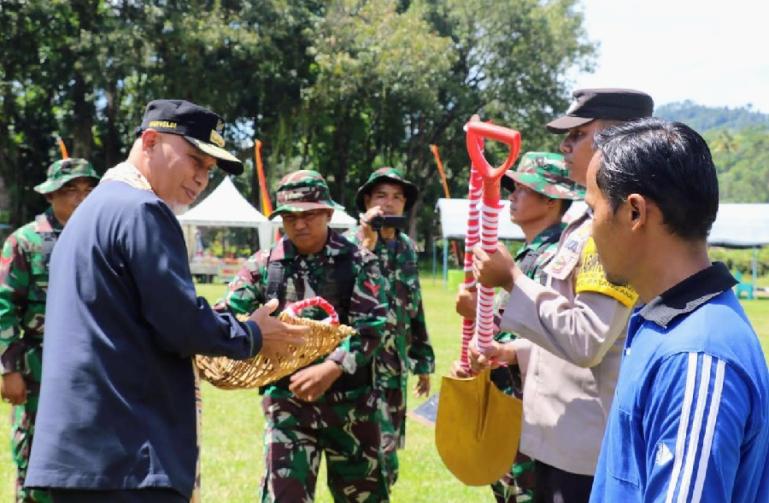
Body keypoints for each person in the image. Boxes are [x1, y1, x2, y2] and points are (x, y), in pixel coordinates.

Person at [25, 99, 308, 502]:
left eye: (209, 170)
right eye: (195, 160)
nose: (201, 179)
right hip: (128, 457)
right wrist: (251, 334)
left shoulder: (88, 214)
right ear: (152, 140)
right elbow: (179, 324)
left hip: (79, 457)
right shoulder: (142, 209)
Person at [470, 88, 653, 502]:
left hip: (584, 453)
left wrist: (513, 280)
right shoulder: (587, 220)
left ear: (616, 137)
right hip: (561, 442)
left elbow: (588, 340)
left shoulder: (614, 226)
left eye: (578, 134)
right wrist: (516, 352)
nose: (563, 145)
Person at [585, 118, 769, 502]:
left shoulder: (697, 356)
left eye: (593, 211)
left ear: (634, 212)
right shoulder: (663, 322)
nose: (590, 231)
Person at [220, 169, 390, 502]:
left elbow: (373, 326)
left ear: (328, 213)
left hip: (351, 408)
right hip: (288, 406)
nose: (299, 224)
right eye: (290, 216)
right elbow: (225, 313)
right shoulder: (265, 265)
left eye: (310, 214)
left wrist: (333, 366)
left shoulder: (357, 262)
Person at [453, 152, 582, 502]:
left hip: (535, 409)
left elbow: (551, 330)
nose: (512, 196)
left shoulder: (556, 257)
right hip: (509, 401)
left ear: (552, 198)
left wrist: (482, 319)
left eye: (523, 189)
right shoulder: (527, 255)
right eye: (512, 188)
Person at [0, 158, 99, 503]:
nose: (80, 198)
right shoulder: (25, 242)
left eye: (88, 190)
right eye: (70, 190)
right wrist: (8, 369)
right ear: (51, 194)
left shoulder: (98, 240)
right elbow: (4, 306)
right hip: (36, 372)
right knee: (34, 463)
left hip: (88, 373)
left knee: (83, 465)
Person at [348, 167, 435, 488]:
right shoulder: (349, 245)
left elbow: (415, 308)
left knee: (389, 450)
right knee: (367, 454)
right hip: (358, 367)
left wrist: (422, 362)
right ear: (367, 200)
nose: (389, 203)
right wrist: (366, 245)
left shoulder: (407, 248)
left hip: (394, 367)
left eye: (397, 197)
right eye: (381, 195)